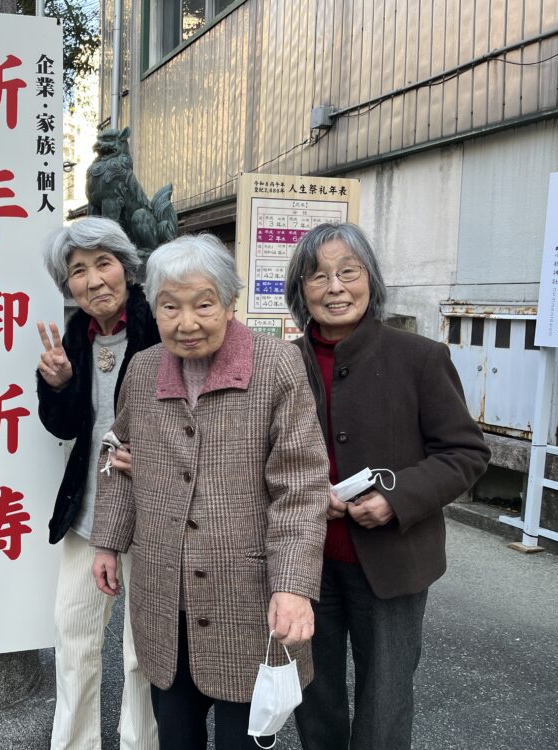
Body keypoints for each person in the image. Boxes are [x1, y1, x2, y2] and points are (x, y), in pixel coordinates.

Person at [90, 233, 330, 749]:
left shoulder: (277, 366)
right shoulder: (144, 367)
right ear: (153, 308)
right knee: (174, 732)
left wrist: (293, 585)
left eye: (203, 304)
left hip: (246, 595)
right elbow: (115, 454)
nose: (187, 323)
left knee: (244, 738)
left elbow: (301, 486)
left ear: (229, 302)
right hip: (162, 591)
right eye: (169, 307)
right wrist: (108, 540)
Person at [284, 222, 490, 750]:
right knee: (313, 695)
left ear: (370, 281)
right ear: (299, 291)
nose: (335, 288)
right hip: (303, 565)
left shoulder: (419, 357)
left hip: (393, 561)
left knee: (385, 702)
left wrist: (396, 500)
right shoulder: (281, 363)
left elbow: (466, 453)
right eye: (318, 276)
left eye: (348, 272)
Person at [36, 216, 161, 749]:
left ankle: (139, 743)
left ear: (127, 269)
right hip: (87, 515)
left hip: (153, 516)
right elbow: (66, 427)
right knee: (74, 640)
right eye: (78, 271)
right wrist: (61, 384)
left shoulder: (162, 325)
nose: (93, 280)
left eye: (103, 263)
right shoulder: (76, 337)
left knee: (142, 652)